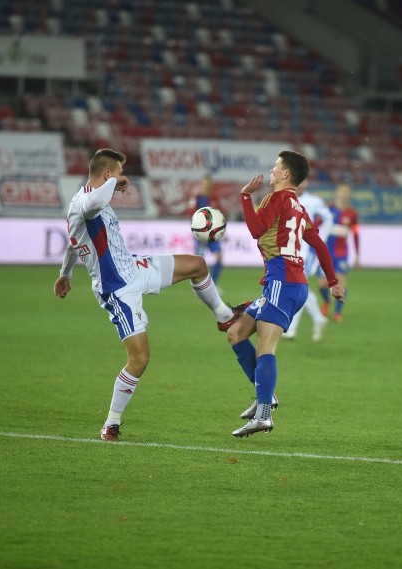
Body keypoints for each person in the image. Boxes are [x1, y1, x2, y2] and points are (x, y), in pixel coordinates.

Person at [53, 148, 247, 442]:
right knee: (140, 360)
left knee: (197, 264)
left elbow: (71, 245)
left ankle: (224, 316)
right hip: (117, 289)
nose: (121, 179)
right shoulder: (84, 202)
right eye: (117, 173)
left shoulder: (89, 202)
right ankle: (111, 423)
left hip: (134, 267)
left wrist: (65, 274)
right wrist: (113, 183)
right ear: (106, 175)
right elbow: (94, 202)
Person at [226, 150, 345, 437]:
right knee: (236, 332)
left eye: (276, 166)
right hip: (291, 283)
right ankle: (266, 393)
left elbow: (255, 229)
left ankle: (264, 414)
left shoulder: (276, 199)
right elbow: (318, 243)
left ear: (285, 175)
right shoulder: (298, 207)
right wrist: (332, 281)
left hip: (282, 280)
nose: (271, 170)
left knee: (265, 347)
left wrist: (245, 197)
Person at [282, 179, 334, 341]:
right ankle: (318, 318)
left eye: (303, 181)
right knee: (299, 286)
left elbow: (328, 218)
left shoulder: (314, 201)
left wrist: (320, 239)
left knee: (297, 285)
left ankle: (291, 329)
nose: (300, 184)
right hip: (291, 248)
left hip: (307, 250)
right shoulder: (285, 199)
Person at [320, 182, 359, 323]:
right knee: (322, 284)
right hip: (327, 251)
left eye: (346, 191)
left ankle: (337, 312)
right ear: (337, 192)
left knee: (341, 282)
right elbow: (317, 223)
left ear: (349, 194)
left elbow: (355, 234)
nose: (344, 194)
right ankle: (326, 302)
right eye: (342, 191)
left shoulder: (352, 213)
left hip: (342, 252)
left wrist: (357, 255)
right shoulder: (328, 209)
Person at [192, 173, 224, 285]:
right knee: (199, 261)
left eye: (207, 184)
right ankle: (199, 284)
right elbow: (191, 215)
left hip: (213, 234)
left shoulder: (214, 198)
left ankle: (213, 285)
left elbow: (220, 215)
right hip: (200, 234)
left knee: (219, 258)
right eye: (204, 184)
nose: (205, 186)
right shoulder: (197, 198)